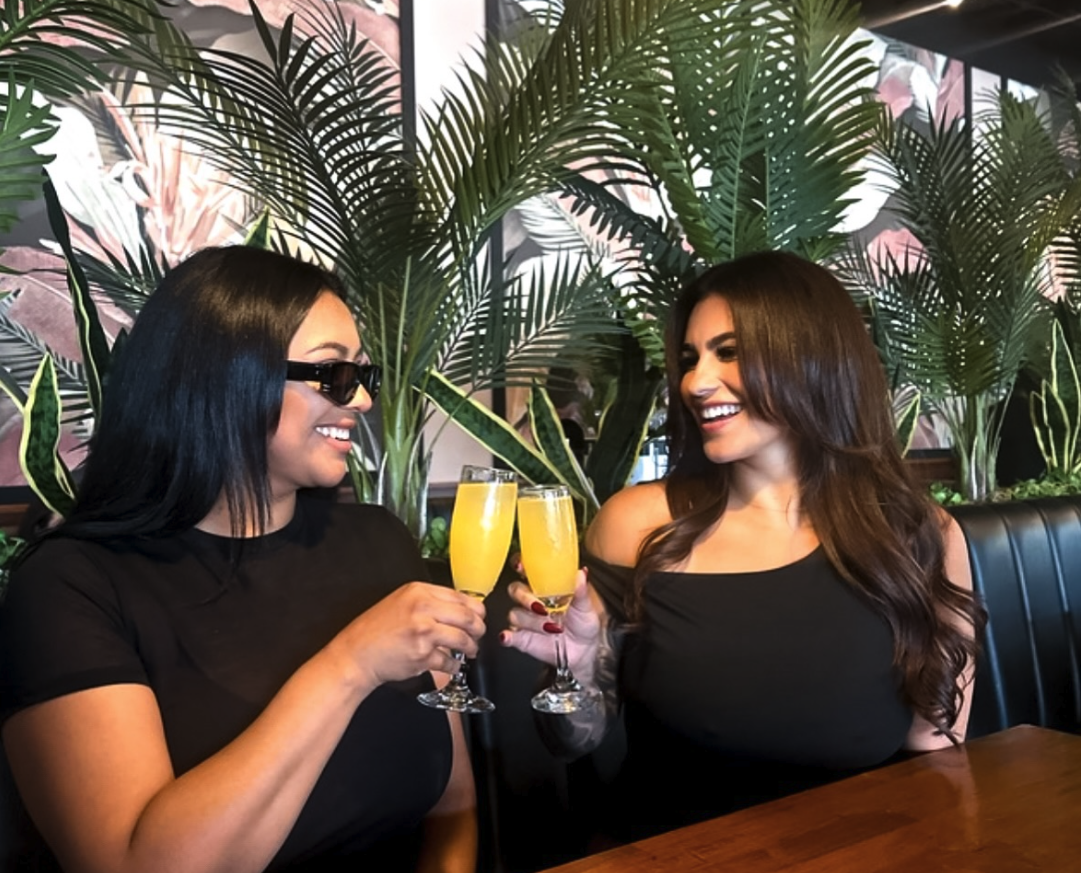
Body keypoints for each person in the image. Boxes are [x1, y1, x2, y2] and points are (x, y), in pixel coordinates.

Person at [0, 245, 484, 873]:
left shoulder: (378, 543)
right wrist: (350, 664)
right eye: (334, 373)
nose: (362, 401)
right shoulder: (73, 589)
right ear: (225, 377)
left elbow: (453, 807)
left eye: (364, 375)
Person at [503, 250, 983, 842]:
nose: (695, 382)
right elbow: (574, 739)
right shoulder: (638, 525)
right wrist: (572, 671)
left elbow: (933, 755)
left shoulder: (923, 536)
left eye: (727, 352)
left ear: (811, 356)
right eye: (689, 358)